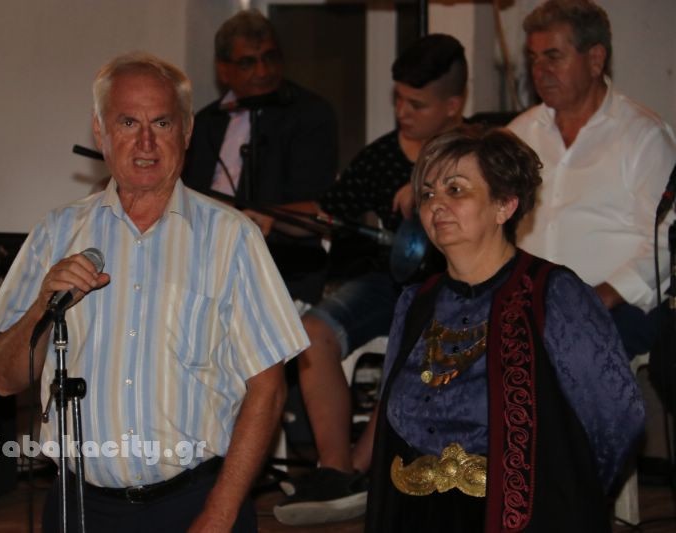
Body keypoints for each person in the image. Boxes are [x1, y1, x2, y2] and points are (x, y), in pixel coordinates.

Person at [0, 51, 309, 532]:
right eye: (128, 122)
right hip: (80, 507)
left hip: (198, 503)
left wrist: (219, 513)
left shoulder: (231, 237)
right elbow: (2, 379)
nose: (146, 142)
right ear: (100, 133)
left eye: (162, 123)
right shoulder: (56, 234)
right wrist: (40, 309)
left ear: (187, 132)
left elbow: (269, 389)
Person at [366, 124, 645, 532]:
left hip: (523, 517)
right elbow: (389, 425)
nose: (437, 205)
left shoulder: (554, 294)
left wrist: (569, 492)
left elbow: (617, 416)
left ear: (504, 205)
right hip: (413, 517)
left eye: (455, 190)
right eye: (427, 194)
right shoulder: (414, 303)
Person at [272, 34, 466, 526]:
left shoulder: (478, 150)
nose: (402, 112)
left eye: (416, 104)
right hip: (384, 283)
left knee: (414, 338)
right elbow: (327, 212)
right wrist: (268, 217)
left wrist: (429, 185)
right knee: (312, 331)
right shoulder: (380, 156)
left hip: (451, 289)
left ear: (453, 105)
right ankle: (335, 468)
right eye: (398, 99)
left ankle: (356, 469)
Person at [507, 0, 676, 359]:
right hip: (528, 306)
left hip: (617, 308)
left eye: (553, 57)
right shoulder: (518, 134)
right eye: (534, 58)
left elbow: (667, 239)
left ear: (596, 59)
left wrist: (603, 295)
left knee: (555, 360)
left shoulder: (643, 136)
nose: (540, 71)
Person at [182, 8, 338, 304]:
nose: (263, 71)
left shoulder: (310, 115)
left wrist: (263, 217)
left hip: (283, 267)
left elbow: (319, 205)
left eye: (270, 57)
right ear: (223, 70)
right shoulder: (205, 123)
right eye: (248, 63)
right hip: (206, 263)